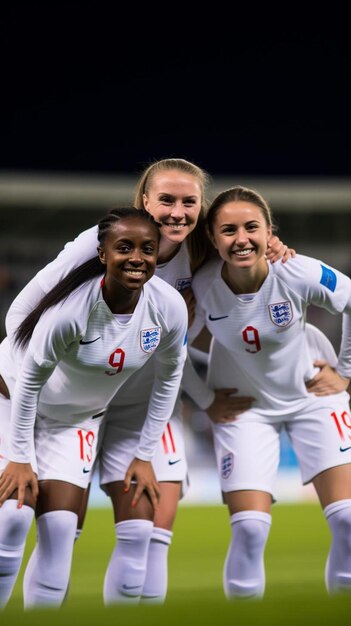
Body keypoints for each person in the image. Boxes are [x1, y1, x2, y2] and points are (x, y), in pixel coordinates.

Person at [3, 159, 293, 605]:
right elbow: (21, 316)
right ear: (143, 201)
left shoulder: (202, 254)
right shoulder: (97, 246)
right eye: (166, 200)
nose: (178, 212)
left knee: (146, 533)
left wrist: (272, 245)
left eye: (189, 202)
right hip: (54, 397)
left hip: (130, 404)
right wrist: (34, 384)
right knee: (32, 522)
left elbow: (242, 252)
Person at [0, 207, 188, 608]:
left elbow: (170, 379)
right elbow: (29, 383)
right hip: (13, 403)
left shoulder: (168, 308)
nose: (137, 257)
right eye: (124, 247)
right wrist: (20, 458)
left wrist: (144, 454)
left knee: (60, 532)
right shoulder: (70, 311)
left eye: (147, 249)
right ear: (102, 254)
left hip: (75, 422)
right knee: (11, 520)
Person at [189, 185, 351, 599]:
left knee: (348, 520)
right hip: (245, 409)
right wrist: (205, 399)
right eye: (228, 230)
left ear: (268, 231)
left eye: (251, 227)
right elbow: (168, 346)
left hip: (313, 397)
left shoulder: (296, 271)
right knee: (248, 529)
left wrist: (346, 373)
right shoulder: (201, 285)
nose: (241, 238)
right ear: (212, 238)